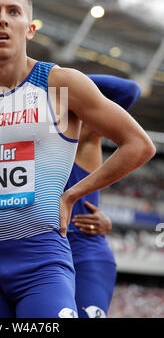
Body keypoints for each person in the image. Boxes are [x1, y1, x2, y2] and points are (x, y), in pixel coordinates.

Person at [0, 0, 155, 318]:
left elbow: (138, 145)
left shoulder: (60, 85)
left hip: (40, 258)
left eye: (13, 12)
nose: (3, 19)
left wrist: (71, 196)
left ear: (30, 28)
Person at [65, 75, 142, 318]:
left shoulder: (83, 136)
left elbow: (130, 90)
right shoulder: (20, 147)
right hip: (40, 253)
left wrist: (54, 77)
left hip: (85, 252)